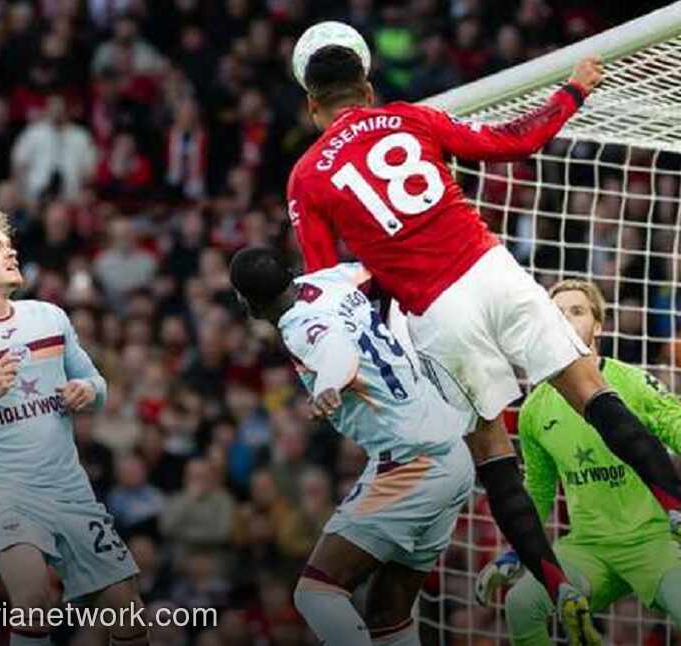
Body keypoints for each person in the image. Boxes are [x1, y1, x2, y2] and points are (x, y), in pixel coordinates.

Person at [286, 20, 675, 643]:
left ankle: (555, 583)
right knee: (590, 389)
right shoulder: (410, 118)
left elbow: (324, 288)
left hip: (438, 312)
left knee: (493, 450)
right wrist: (572, 92)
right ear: (367, 84)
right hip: (493, 268)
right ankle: (677, 508)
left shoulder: (307, 177)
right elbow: (514, 143)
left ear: (312, 103)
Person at [0, 206, 149, 646]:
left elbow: (98, 385)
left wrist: (86, 389)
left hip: (70, 490)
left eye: (9, 244)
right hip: (5, 493)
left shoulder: (49, 317)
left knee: (126, 607)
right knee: (34, 600)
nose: (11, 251)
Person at [229, 247, 474, 646]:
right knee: (388, 613)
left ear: (248, 304)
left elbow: (336, 351)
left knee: (316, 593)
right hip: (453, 457)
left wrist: (328, 383)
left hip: (412, 463)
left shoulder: (298, 325)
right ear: (290, 273)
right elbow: (377, 268)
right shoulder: (328, 280)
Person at [476, 279, 681, 645]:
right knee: (522, 604)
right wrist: (516, 553)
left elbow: (674, 422)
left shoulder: (629, 382)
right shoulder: (534, 409)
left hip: (653, 542)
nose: (566, 320)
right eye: (556, 314)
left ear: (598, 325)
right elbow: (538, 492)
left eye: (577, 311)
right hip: (589, 548)